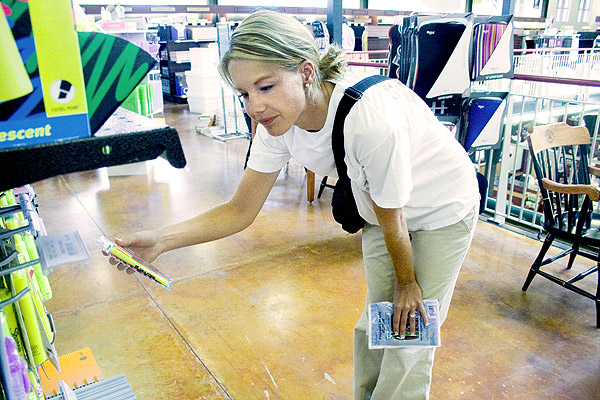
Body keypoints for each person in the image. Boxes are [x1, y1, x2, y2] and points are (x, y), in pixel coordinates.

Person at [115, 10, 479, 400]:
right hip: (383, 213)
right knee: (376, 322)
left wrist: (408, 284)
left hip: (442, 209)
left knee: (409, 331)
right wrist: (161, 240)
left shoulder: (371, 121)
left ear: (306, 71)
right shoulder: (277, 123)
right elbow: (240, 210)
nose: (255, 106)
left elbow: (395, 220)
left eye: (265, 86)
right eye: (245, 93)